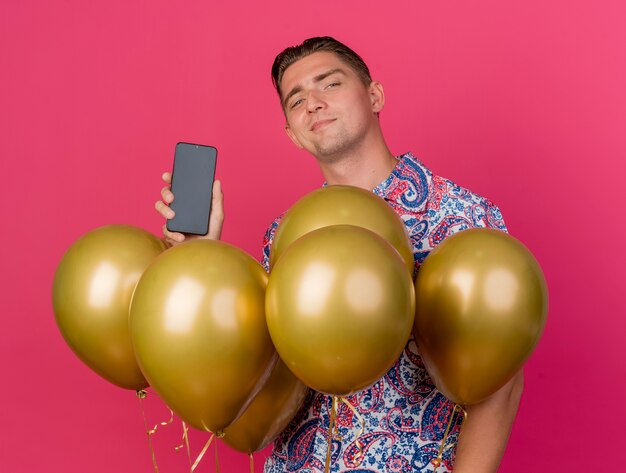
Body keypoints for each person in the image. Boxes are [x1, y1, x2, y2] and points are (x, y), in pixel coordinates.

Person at [156, 36, 523, 473]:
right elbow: (264, 375)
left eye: (329, 84)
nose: (312, 103)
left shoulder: (460, 215)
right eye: (296, 100)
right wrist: (206, 264)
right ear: (292, 135)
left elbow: (499, 381)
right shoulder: (287, 236)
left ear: (374, 95)